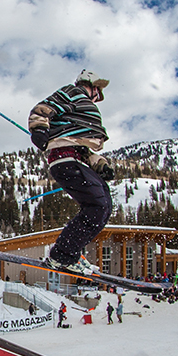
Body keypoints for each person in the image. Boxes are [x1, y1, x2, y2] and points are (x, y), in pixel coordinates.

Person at [28, 70, 114, 276]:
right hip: (65, 159)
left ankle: (71, 252)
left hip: (76, 159)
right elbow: (42, 109)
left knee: (104, 207)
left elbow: (83, 149)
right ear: (91, 84)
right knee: (97, 206)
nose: (98, 97)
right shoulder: (72, 93)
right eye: (98, 91)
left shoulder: (77, 121)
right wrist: (39, 129)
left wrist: (101, 165)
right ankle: (62, 255)